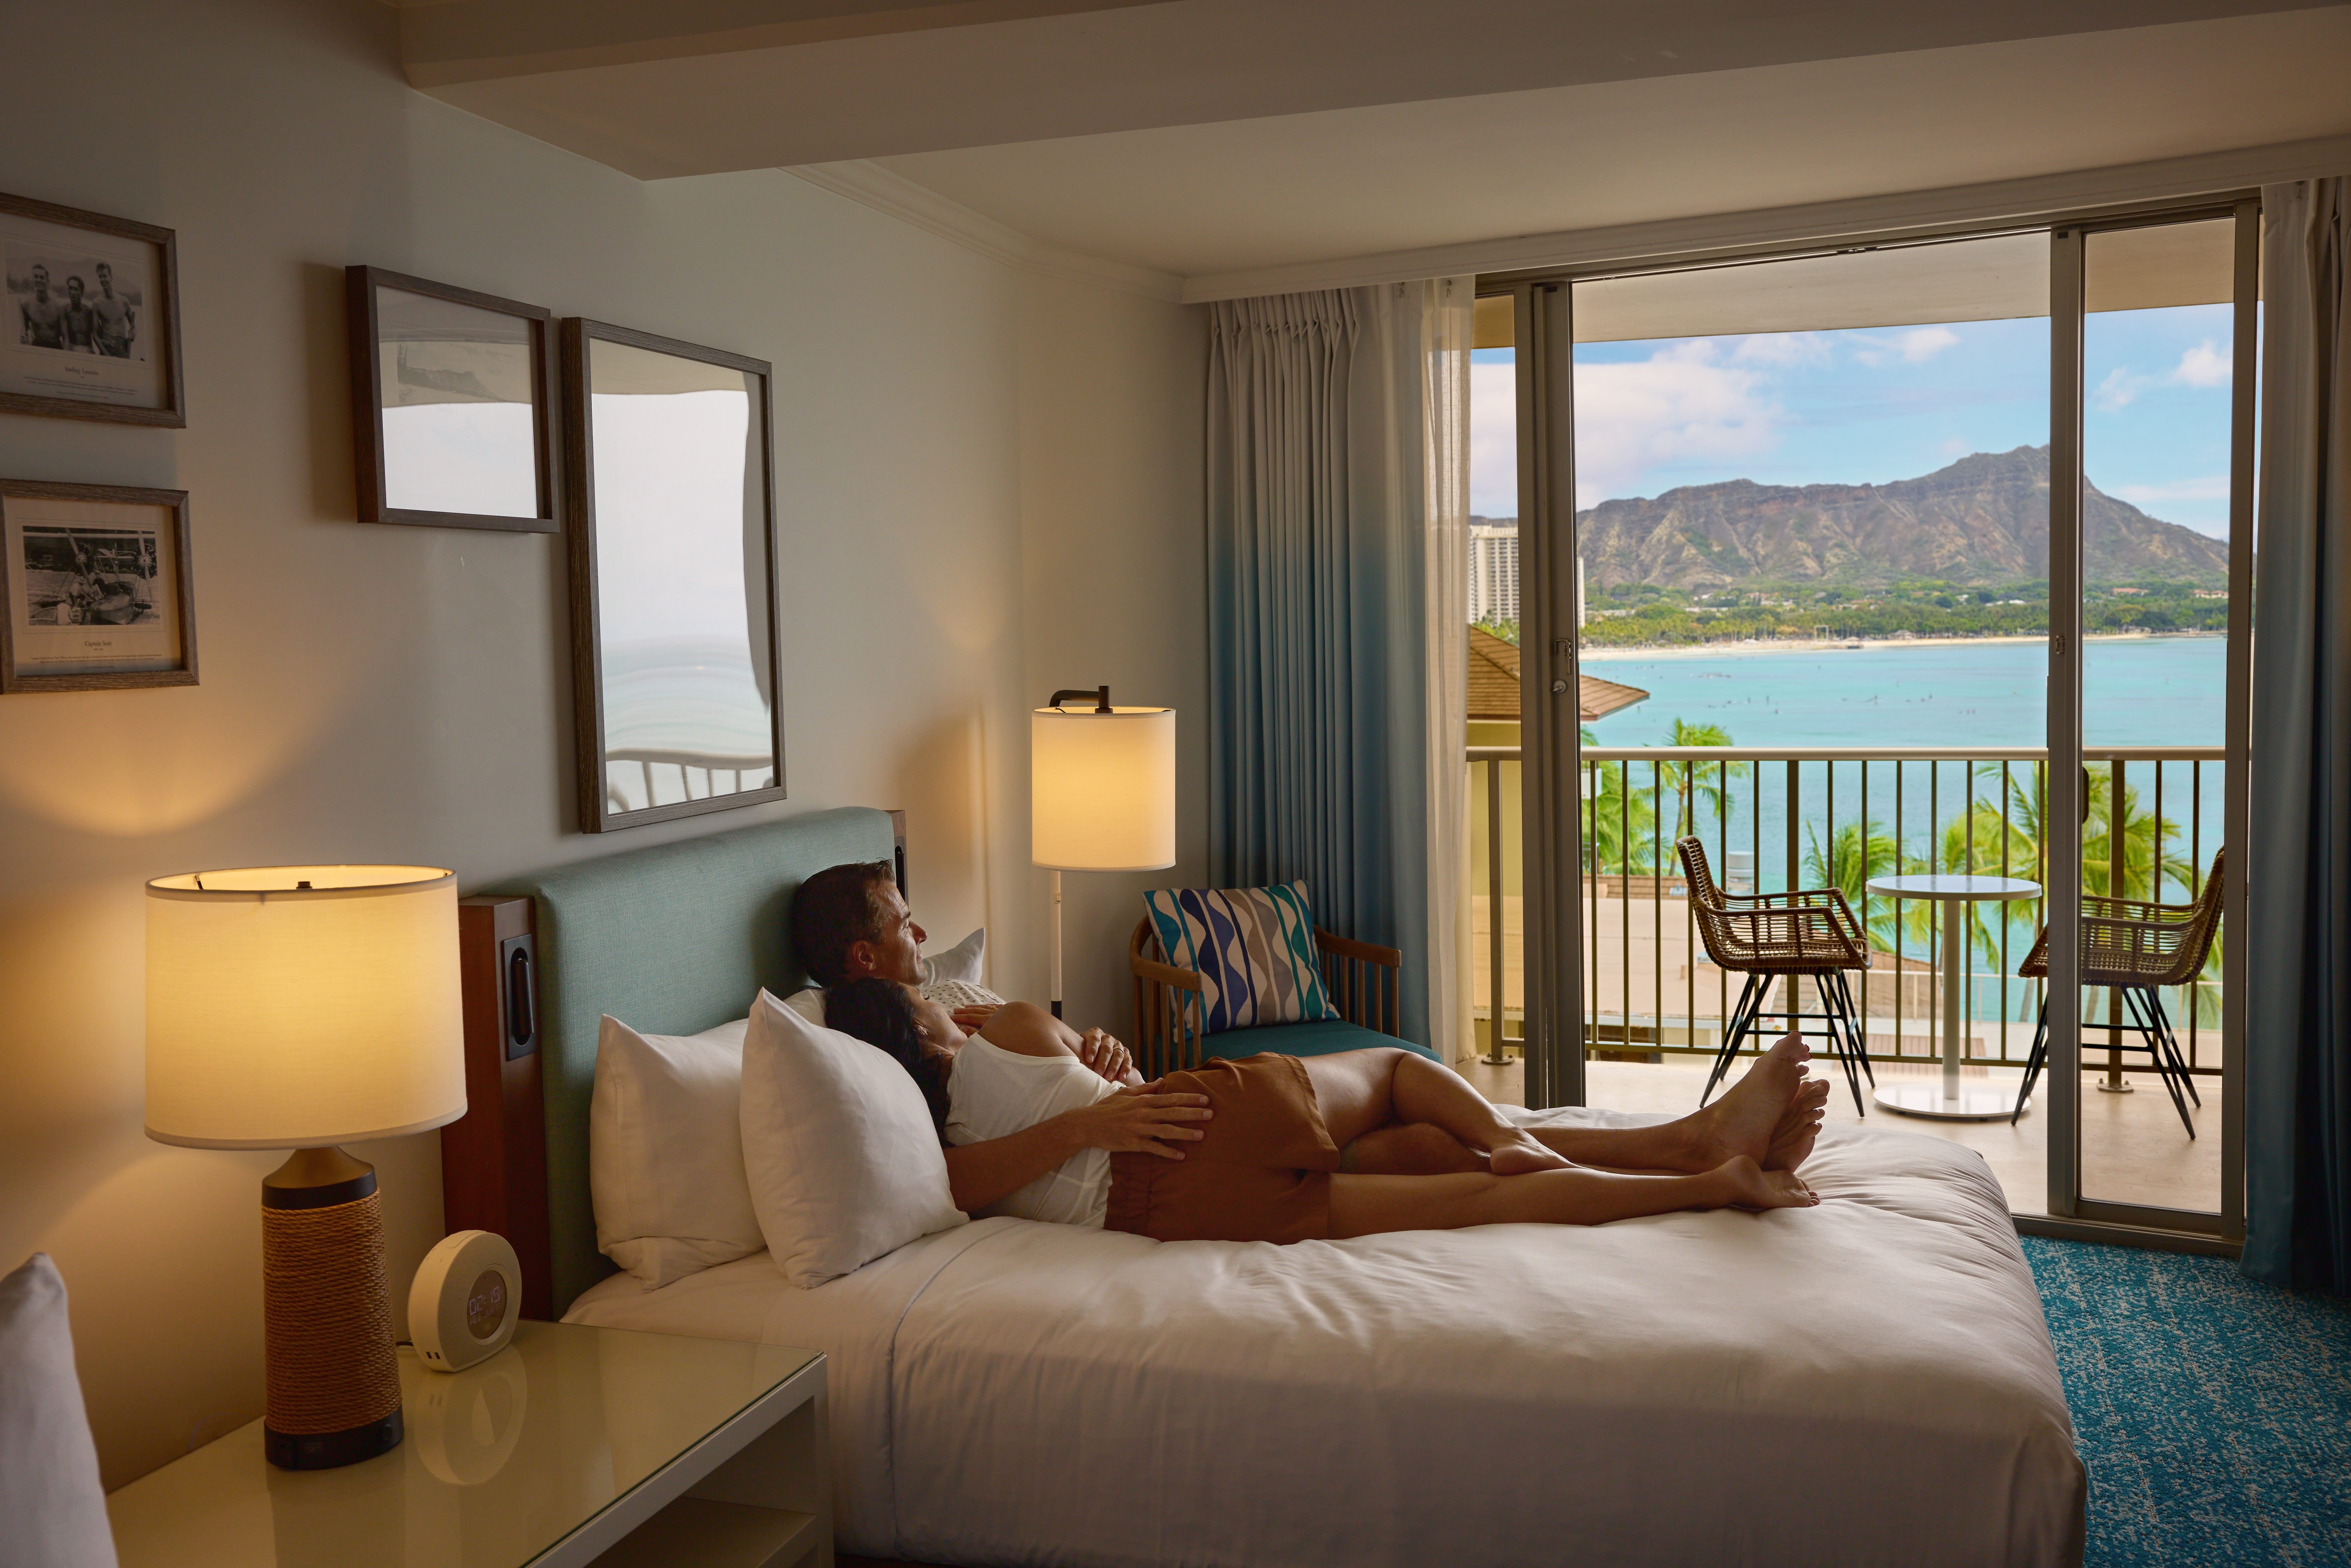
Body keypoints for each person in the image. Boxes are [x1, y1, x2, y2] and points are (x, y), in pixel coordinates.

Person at [795, 861, 1829, 1243]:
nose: (925, 941)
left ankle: (1711, 1166)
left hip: (1174, 1211)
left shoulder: (919, 1106)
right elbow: (1051, 1097)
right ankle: (1652, 1142)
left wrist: (1089, 1068)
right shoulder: (1003, 1023)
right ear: (870, 966)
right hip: (1206, 1117)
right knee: (1391, 1073)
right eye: (905, 925)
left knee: (1455, 1176)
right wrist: (1090, 1095)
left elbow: (958, 1181)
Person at [89, 262, 134, 358]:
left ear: (111, 277)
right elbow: (95, 335)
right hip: (106, 347)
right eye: (100, 277)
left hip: (122, 348)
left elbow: (133, 327)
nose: (103, 280)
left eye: (105, 276)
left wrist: (133, 335)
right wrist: (106, 354)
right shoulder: (97, 303)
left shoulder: (124, 301)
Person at [17, 264, 65, 349]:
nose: (39, 280)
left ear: (48, 281)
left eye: (42, 278)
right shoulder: (26, 305)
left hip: (56, 347)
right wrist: (23, 337)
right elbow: (24, 330)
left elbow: (65, 336)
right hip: (36, 346)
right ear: (33, 280)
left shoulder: (58, 307)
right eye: (36, 277)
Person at [59, 275, 97, 353]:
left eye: (76, 290)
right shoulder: (65, 311)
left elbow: (97, 335)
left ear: (82, 292)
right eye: (70, 289)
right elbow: (65, 338)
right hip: (71, 349)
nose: (72, 293)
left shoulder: (89, 312)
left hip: (88, 350)